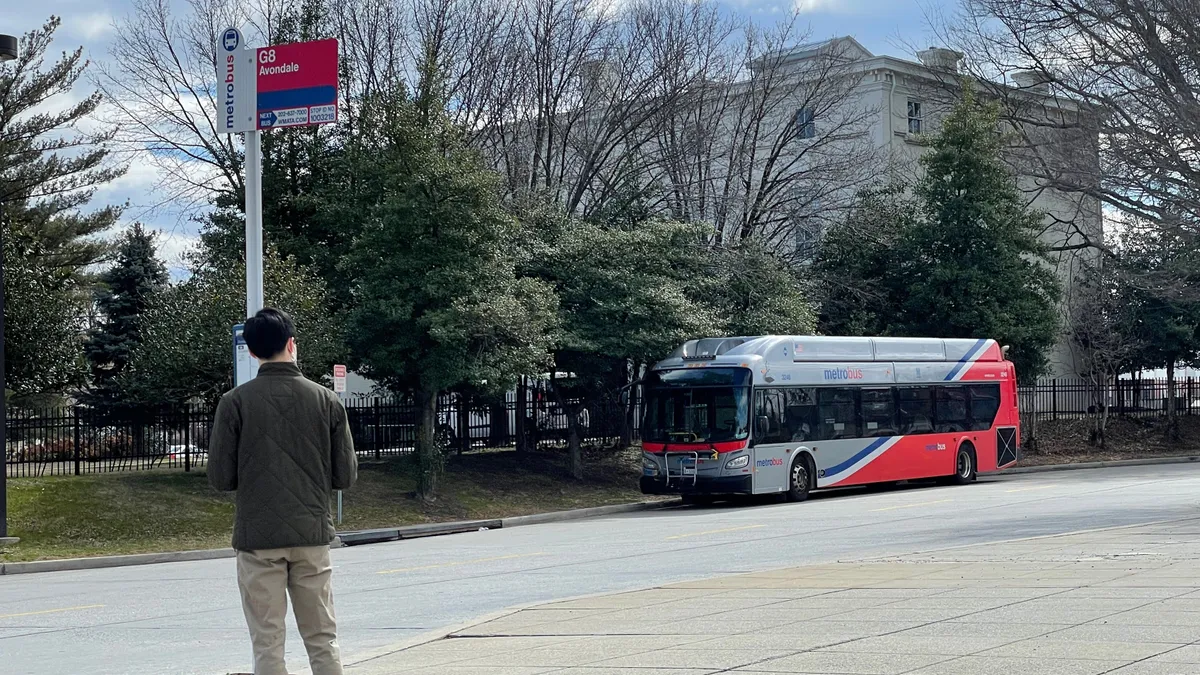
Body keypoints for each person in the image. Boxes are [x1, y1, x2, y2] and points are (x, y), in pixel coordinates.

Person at [209, 308, 357, 675]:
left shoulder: (234, 403)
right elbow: (346, 476)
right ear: (292, 344)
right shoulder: (326, 400)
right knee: (322, 637)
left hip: (258, 538)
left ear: (254, 353)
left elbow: (221, 478)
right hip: (311, 535)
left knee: (268, 641)